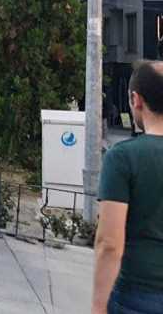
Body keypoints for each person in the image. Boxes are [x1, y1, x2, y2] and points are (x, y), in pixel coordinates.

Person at [92, 60, 163, 314]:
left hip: (138, 294)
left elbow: (110, 243)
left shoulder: (124, 158)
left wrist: (98, 305)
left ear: (136, 100)